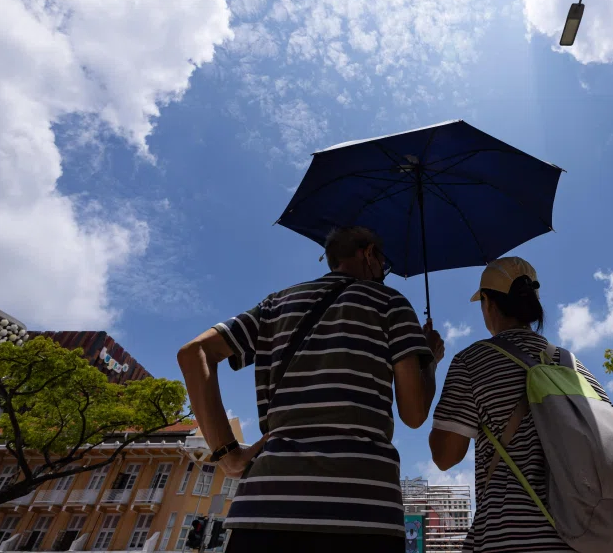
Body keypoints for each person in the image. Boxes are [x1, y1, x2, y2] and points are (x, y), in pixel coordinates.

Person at [177, 226, 445, 553]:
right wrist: (428, 360)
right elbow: (414, 414)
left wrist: (228, 456)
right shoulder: (390, 302)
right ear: (369, 253)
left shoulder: (276, 303)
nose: (382, 274)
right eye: (384, 265)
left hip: (264, 510)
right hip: (363, 511)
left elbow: (194, 353)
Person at [428, 257, 610, 552]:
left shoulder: (473, 361)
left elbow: (444, 457)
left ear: (487, 303)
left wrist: (429, 363)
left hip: (509, 536)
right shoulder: (574, 364)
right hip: (585, 536)